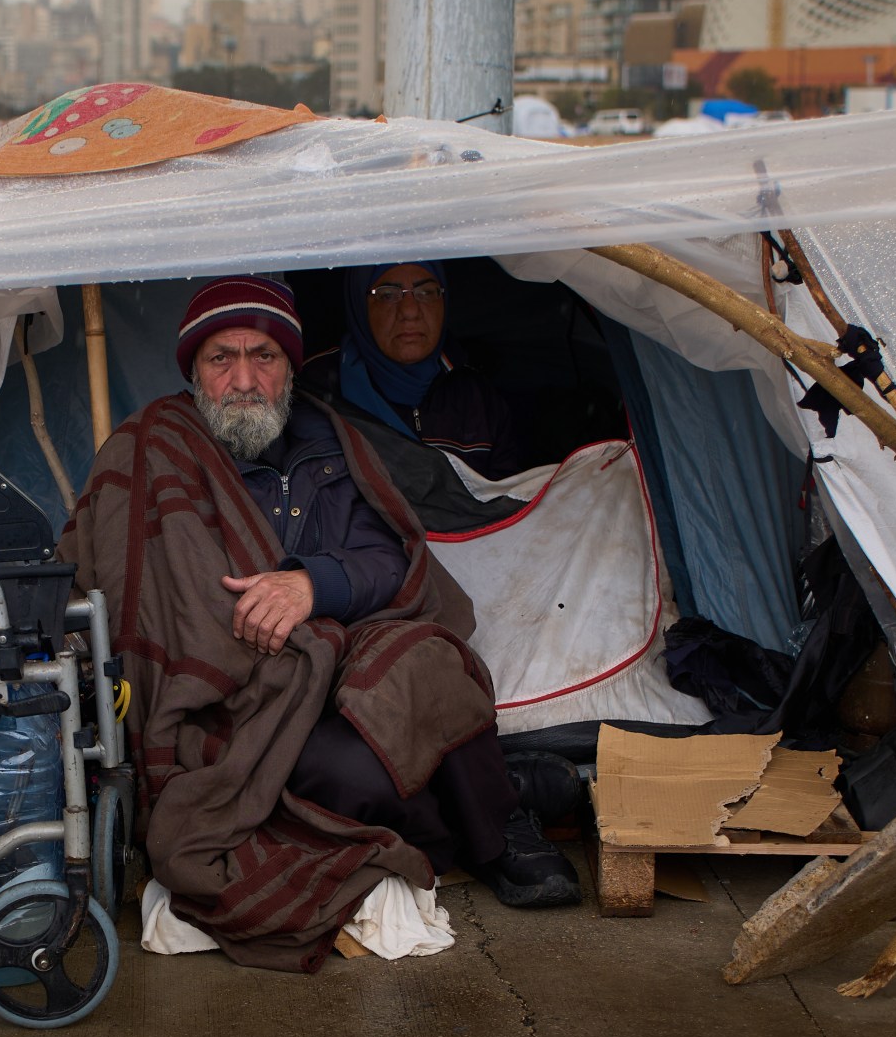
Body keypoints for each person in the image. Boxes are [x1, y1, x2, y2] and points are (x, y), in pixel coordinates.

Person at [60, 276, 578, 974]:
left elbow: (389, 560)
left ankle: (500, 838)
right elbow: (129, 591)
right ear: (193, 369)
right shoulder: (151, 447)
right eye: (222, 359)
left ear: (290, 366)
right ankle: (502, 794)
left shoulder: (329, 440)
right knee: (340, 770)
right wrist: (246, 628)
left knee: (428, 662)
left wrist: (312, 584)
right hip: (232, 692)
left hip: (339, 650)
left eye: (264, 357)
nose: (244, 379)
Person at [301, 261, 530, 480]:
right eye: (388, 295)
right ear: (360, 305)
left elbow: (507, 503)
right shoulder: (318, 390)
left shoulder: (477, 399)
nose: (410, 311)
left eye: (426, 292)